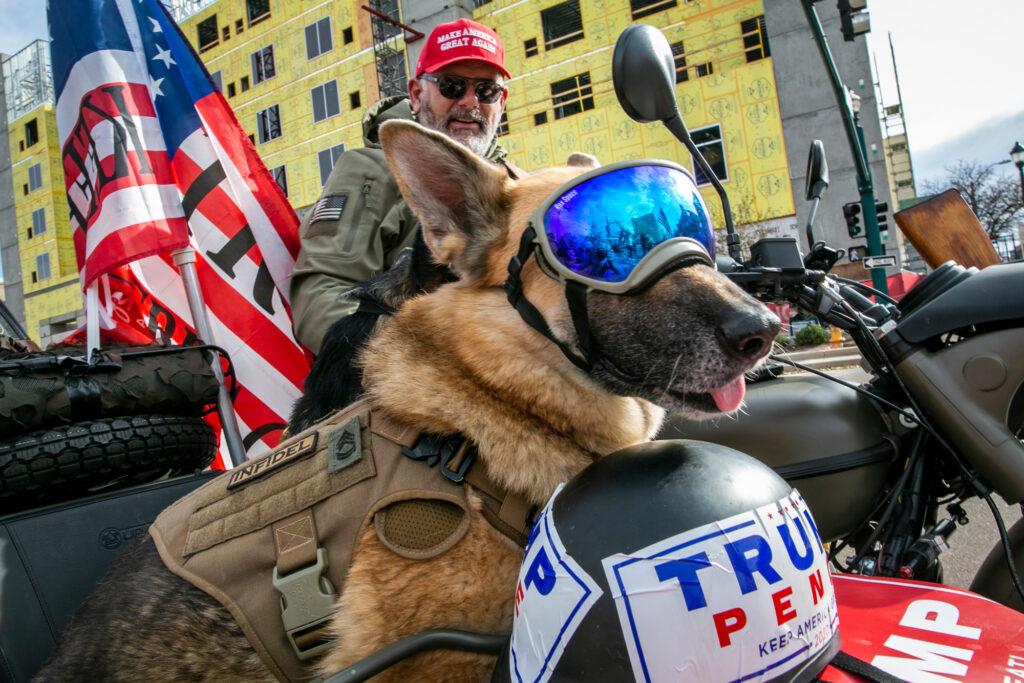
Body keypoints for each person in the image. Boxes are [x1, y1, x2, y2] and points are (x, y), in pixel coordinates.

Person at [290, 17, 522, 354]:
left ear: (501, 102)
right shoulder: (374, 170)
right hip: (425, 386)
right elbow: (322, 296)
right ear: (416, 94)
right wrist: (417, 360)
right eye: (452, 86)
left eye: (486, 90)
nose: (470, 102)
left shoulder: (520, 185)